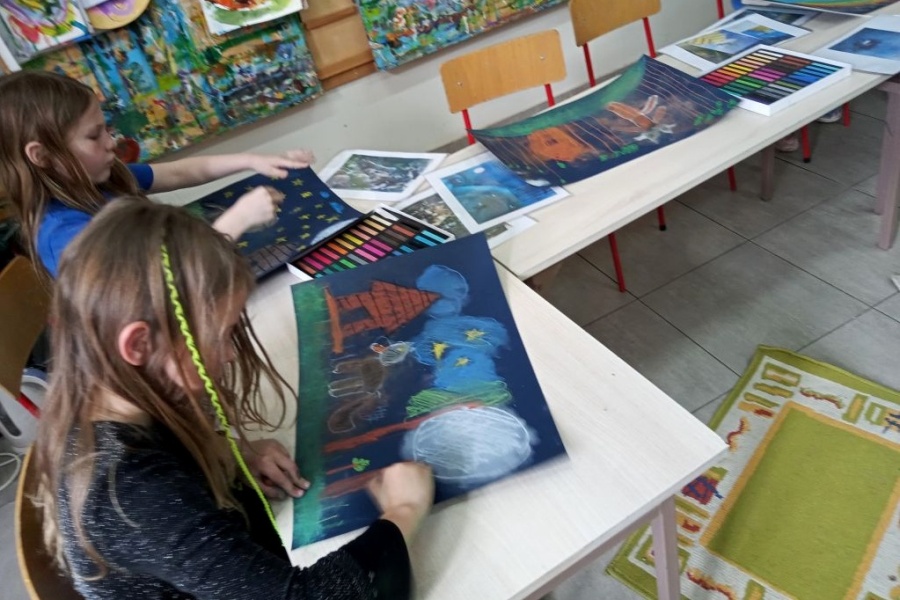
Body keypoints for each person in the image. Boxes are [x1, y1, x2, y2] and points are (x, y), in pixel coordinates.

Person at [32, 199, 435, 599]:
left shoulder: (112, 390)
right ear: (139, 344)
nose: (227, 355)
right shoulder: (129, 495)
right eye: (221, 335)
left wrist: (229, 455)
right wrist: (403, 511)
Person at [0, 70, 313, 278]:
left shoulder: (102, 179)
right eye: (94, 136)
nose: (111, 143)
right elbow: (158, 287)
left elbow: (178, 173)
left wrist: (252, 160)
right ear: (42, 156)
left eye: (106, 129)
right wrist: (238, 220)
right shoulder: (61, 234)